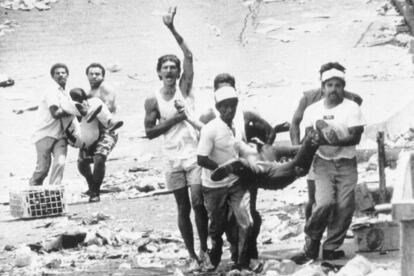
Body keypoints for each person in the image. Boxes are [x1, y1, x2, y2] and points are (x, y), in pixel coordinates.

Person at [143, 7, 208, 271]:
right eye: (165, 68)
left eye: (173, 67)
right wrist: (175, 120)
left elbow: (189, 54)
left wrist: (171, 28)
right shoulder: (153, 99)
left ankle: (205, 248)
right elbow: (149, 132)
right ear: (158, 73)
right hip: (172, 159)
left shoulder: (185, 89)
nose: (169, 71)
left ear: (179, 72)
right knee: (182, 209)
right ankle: (191, 253)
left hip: (193, 155)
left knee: (198, 203)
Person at [291, 63, 365, 264]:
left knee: (345, 207)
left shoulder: (352, 108)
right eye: (329, 85)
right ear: (322, 88)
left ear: (344, 87)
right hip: (322, 162)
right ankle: (312, 241)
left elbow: (355, 137)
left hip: (347, 163)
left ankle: (331, 247)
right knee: (323, 203)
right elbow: (306, 134)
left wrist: (334, 140)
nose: (333, 89)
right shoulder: (312, 109)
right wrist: (311, 144)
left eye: (338, 85)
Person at [197, 86, 254, 272]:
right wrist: (221, 169)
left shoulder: (235, 127)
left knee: (245, 220)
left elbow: (239, 147)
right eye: (225, 107)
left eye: (232, 106)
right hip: (214, 186)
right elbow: (201, 158)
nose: (229, 110)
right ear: (218, 108)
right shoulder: (210, 129)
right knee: (217, 225)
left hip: (235, 183)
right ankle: (216, 249)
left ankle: (242, 260)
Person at [77, 63, 120, 203]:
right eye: (91, 74)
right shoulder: (88, 93)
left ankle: (95, 192)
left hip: (108, 130)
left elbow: (109, 106)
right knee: (82, 163)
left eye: (97, 74)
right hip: (92, 131)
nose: (94, 76)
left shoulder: (105, 87)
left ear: (103, 76)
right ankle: (92, 184)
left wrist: (92, 109)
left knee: (99, 158)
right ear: (87, 75)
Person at [29, 63, 74, 186]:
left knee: (60, 164)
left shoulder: (66, 93)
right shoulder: (52, 90)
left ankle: (54, 194)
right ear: (52, 77)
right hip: (45, 134)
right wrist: (75, 110)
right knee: (42, 170)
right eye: (57, 73)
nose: (61, 75)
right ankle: (32, 195)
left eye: (63, 72)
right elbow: (55, 113)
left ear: (67, 75)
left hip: (61, 135)